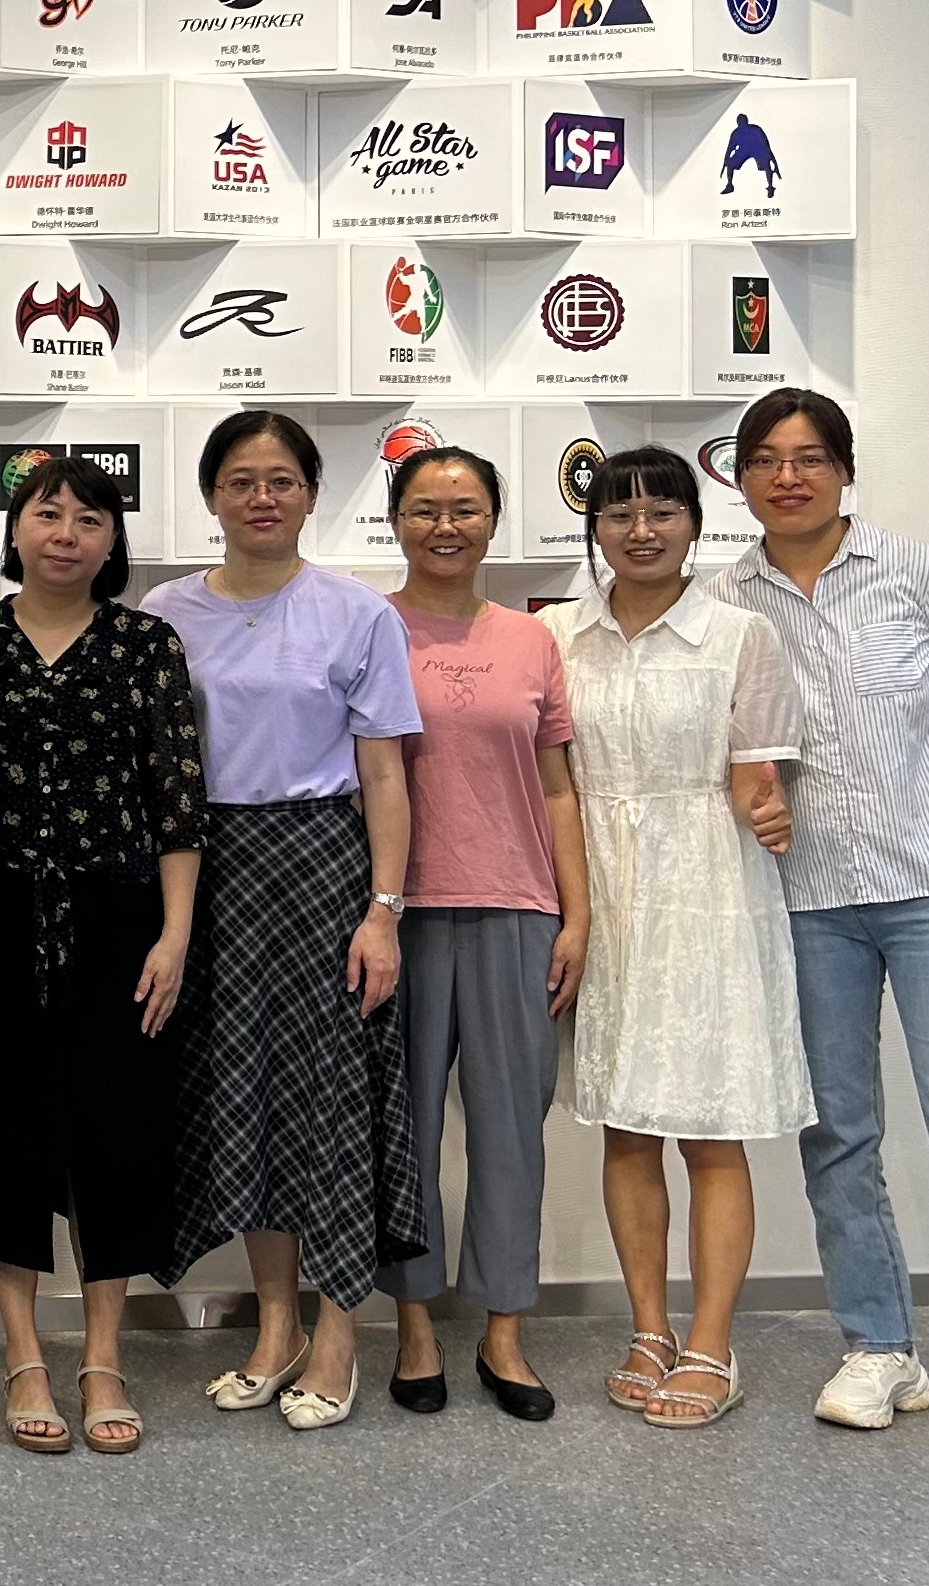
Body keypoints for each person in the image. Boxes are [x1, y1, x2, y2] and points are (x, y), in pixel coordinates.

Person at [704, 388, 929, 1489]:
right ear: (739, 478)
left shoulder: (917, 574)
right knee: (838, 1136)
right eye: (766, 459)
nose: (789, 477)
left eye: (811, 457)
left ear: (846, 470)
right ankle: (881, 1348)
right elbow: (727, 749)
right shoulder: (725, 600)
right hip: (809, 900)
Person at [141, 410, 424, 1433]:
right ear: (210, 496)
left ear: (311, 494)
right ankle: (275, 1327)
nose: (261, 497)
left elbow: (385, 775)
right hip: (208, 871)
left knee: (330, 1097)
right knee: (243, 1097)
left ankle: (339, 1330)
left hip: (322, 866)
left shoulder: (357, 613)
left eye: (281, 480)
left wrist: (383, 912)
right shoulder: (165, 613)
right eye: (241, 480)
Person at [0, 450, 202, 1461]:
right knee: (1, 1130)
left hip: (121, 918)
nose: (66, 534)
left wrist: (175, 935)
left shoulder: (146, 644)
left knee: (116, 1133)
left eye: (90, 519)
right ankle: (23, 1355)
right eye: (47, 514)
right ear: (14, 531)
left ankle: (100, 1357)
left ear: (113, 540)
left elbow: (177, 798)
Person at [543, 444, 809, 1432]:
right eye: (620, 514)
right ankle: (649, 1329)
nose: (641, 530)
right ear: (596, 528)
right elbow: (550, 776)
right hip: (603, 890)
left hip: (706, 890)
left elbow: (755, 779)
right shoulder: (558, 634)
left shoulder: (741, 634)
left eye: (663, 511)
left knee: (710, 1125)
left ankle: (712, 1342)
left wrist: (769, 808)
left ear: (695, 524)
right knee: (626, 1123)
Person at [380, 445, 585, 1422]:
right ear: (396, 522)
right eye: (425, 508)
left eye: (464, 508)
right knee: (403, 1130)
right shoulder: (369, 627)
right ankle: (414, 1324)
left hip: (516, 907)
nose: (446, 526)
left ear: (494, 521)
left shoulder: (532, 639)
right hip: (401, 913)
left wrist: (576, 913)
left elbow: (557, 787)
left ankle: (505, 1330)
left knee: (512, 1133)